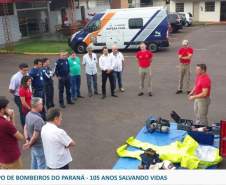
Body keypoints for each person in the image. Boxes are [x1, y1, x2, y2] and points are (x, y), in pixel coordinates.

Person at [0, 96, 24, 169]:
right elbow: (20, 137)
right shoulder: (5, 124)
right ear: (2, 110)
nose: (8, 108)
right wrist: (12, 118)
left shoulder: (4, 122)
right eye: (7, 107)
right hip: (11, 158)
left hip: (2, 157)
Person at [23, 97, 46, 169]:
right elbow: (35, 135)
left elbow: (25, 128)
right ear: (37, 105)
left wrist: (27, 140)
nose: (42, 105)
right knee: (42, 165)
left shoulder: (28, 114)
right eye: (41, 104)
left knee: (34, 163)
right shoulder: (38, 119)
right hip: (39, 146)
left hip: (33, 146)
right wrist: (29, 144)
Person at [9, 63, 29, 127]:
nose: (26, 72)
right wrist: (17, 94)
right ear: (20, 69)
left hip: (27, 96)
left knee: (27, 112)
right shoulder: (15, 77)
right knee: (23, 112)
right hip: (19, 97)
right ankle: (24, 126)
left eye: (27, 70)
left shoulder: (27, 74)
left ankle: (27, 125)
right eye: (24, 70)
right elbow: (11, 89)